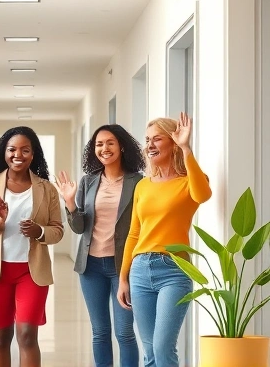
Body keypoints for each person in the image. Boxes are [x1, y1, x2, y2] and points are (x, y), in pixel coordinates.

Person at [117, 112, 212, 367]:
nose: (149, 145)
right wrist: (123, 277)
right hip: (139, 270)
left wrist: (186, 148)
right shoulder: (143, 186)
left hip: (174, 270)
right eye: (147, 140)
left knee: (162, 348)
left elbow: (203, 195)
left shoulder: (188, 182)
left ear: (172, 142)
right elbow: (134, 233)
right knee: (149, 353)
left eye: (157, 139)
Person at [0, 126, 64, 367]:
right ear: (4, 152)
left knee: (26, 335)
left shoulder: (47, 188)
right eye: (12, 149)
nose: (17, 155)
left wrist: (40, 231)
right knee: (1, 338)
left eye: (25, 150)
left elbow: (58, 230)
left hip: (31, 273)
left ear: (33, 154)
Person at [57, 124, 144, 367]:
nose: (104, 148)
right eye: (99, 144)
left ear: (122, 146)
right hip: (91, 267)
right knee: (100, 332)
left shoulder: (138, 182)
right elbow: (79, 227)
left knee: (125, 333)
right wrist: (71, 203)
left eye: (110, 143)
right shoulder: (88, 181)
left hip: (123, 266)